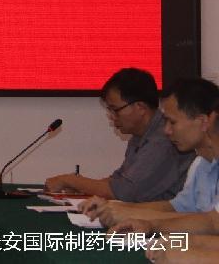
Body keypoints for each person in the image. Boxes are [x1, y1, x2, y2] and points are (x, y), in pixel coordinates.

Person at [80, 78, 219, 227]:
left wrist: (147, 223)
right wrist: (115, 208)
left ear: (203, 122)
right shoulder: (200, 164)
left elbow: (212, 223)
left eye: (172, 122)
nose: (166, 130)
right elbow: (177, 207)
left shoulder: (163, 144)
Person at [45, 68, 194, 201]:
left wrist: (71, 180)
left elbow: (125, 192)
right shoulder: (140, 135)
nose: (111, 116)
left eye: (115, 110)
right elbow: (118, 180)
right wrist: (80, 187)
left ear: (140, 107)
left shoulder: (162, 139)